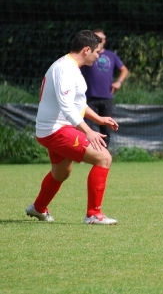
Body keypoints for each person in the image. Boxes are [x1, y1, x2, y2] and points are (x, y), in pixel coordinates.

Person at [26, 30, 120, 224]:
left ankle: (38, 208)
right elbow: (66, 106)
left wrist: (99, 119)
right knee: (103, 157)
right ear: (86, 50)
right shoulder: (66, 69)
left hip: (53, 129)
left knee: (62, 172)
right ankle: (93, 215)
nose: (98, 55)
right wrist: (89, 130)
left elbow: (78, 104)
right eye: (96, 51)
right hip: (56, 130)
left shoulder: (71, 67)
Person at [80, 29, 128, 148]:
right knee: (86, 126)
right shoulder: (87, 54)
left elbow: (124, 69)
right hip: (89, 97)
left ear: (105, 40)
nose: (100, 40)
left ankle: (103, 153)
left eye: (102, 38)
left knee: (106, 128)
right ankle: (84, 152)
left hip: (107, 96)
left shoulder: (111, 55)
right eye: (97, 37)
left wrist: (119, 82)